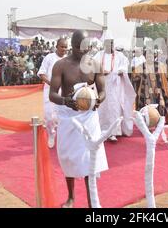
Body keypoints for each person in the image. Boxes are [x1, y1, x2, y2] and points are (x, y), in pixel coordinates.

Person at [49, 30, 107, 208]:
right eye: (78, 47)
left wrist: (98, 99)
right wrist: (65, 101)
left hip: (89, 117)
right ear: (72, 46)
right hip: (68, 116)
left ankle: (92, 201)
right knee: (69, 158)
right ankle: (71, 197)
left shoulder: (95, 64)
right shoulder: (61, 65)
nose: (82, 51)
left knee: (91, 158)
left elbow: (103, 90)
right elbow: (52, 94)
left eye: (85, 48)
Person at [93, 33, 136, 142]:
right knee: (102, 108)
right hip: (101, 85)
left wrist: (121, 71)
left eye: (112, 43)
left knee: (114, 108)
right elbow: (91, 65)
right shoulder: (98, 55)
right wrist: (102, 71)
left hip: (115, 87)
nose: (110, 45)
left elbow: (124, 65)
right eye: (108, 43)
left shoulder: (120, 56)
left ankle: (113, 132)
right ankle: (101, 131)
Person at [37, 37, 68, 148]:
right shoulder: (49, 58)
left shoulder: (68, 59)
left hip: (64, 91)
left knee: (63, 116)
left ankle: (63, 139)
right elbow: (41, 73)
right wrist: (52, 83)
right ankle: (51, 134)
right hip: (50, 89)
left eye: (66, 47)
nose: (64, 49)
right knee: (49, 116)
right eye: (62, 46)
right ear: (56, 46)